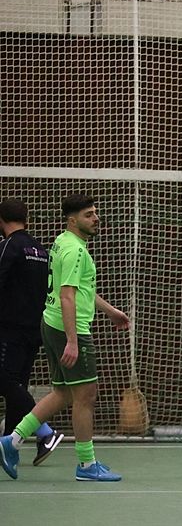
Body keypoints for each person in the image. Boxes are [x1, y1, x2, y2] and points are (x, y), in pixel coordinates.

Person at [0, 194, 130, 482]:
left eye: (95, 213)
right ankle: (86, 464)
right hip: (69, 328)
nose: (96, 219)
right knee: (86, 395)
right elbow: (67, 296)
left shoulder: (61, 242)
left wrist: (111, 311)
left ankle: (12, 440)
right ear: (72, 220)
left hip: (51, 324)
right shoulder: (75, 251)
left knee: (63, 392)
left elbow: (80, 289)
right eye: (88, 215)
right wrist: (72, 340)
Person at [0, 198, 64, 465]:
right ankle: (9, 448)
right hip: (35, 329)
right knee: (17, 387)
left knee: (6, 382)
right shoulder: (41, 250)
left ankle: (45, 431)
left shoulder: (9, 246)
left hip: (10, 330)